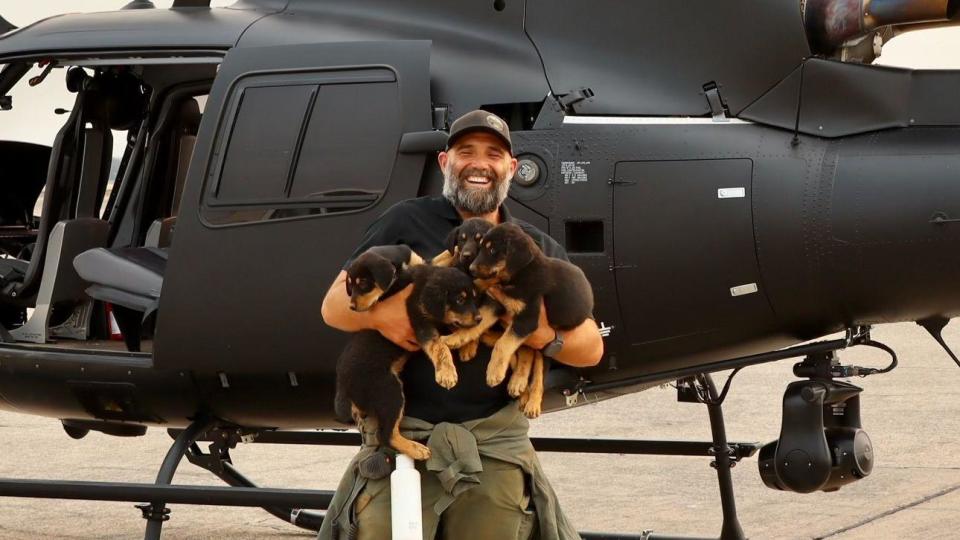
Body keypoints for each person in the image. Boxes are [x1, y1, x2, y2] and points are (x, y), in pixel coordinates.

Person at [318, 110, 603, 540]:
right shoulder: (405, 221)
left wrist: (536, 329)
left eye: (493, 154)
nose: (479, 163)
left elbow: (590, 348)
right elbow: (333, 306)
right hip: (404, 438)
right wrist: (388, 316)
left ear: (510, 168)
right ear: (444, 162)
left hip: (493, 447)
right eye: (466, 151)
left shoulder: (533, 246)